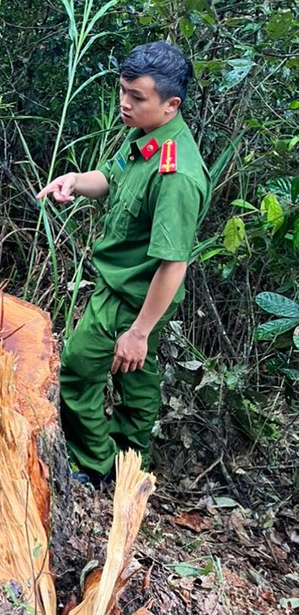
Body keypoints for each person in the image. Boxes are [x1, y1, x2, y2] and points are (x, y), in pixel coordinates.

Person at [37, 41, 211, 486]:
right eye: (123, 91)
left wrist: (139, 331)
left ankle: (98, 467)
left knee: (79, 370)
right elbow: (112, 180)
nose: (125, 103)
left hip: (135, 295)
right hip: (121, 286)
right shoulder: (146, 137)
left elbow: (173, 265)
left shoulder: (177, 175)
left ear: (171, 104)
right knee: (135, 385)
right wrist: (75, 182)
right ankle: (123, 466)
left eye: (137, 97)